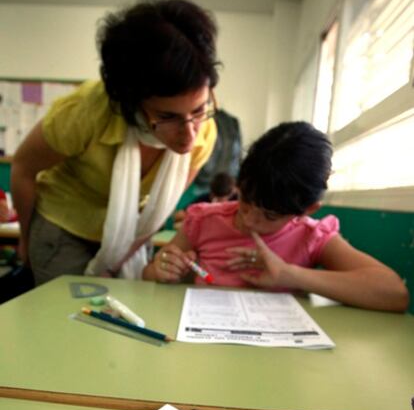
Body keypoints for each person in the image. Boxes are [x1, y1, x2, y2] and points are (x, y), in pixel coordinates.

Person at [11, 0, 219, 285]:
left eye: (198, 110)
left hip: (130, 236)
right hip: (62, 230)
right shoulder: (86, 112)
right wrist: (25, 237)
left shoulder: (204, 132)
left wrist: (119, 258)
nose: (189, 134)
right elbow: (22, 168)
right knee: (67, 321)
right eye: (167, 116)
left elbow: (156, 213)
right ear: (131, 101)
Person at [143, 122, 409, 312]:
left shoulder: (310, 236)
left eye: (268, 216)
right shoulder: (203, 220)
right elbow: (149, 274)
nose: (248, 220)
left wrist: (289, 275)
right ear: (239, 184)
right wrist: (159, 270)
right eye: (245, 201)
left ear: (306, 211)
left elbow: (394, 294)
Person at [173, 172, 237, 229]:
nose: (215, 201)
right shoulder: (203, 199)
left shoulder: (237, 202)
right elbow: (179, 216)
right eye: (213, 197)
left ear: (231, 194)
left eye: (220, 199)